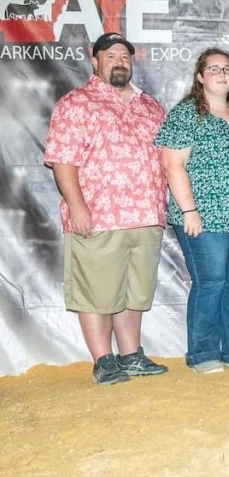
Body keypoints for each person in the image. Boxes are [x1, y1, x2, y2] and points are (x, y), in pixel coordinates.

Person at [44, 32, 168, 385]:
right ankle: (103, 360)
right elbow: (63, 161)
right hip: (99, 216)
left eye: (125, 56)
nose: (119, 61)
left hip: (146, 215)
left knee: (134, 291)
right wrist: (76, 206)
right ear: (94, 61)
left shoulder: (151, 106)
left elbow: (169, 160)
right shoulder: (76, 103)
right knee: (96, 293)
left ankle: (131, 356)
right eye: (110, 55)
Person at [155, 48, 229, 374]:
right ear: (200, 77)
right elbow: (171, 163)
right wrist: (190, 211)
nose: (221, 74)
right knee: (211, 283)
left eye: (226, 69)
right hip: (203, 215)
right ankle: (203, 354)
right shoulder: (187, 113)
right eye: (214, 68)